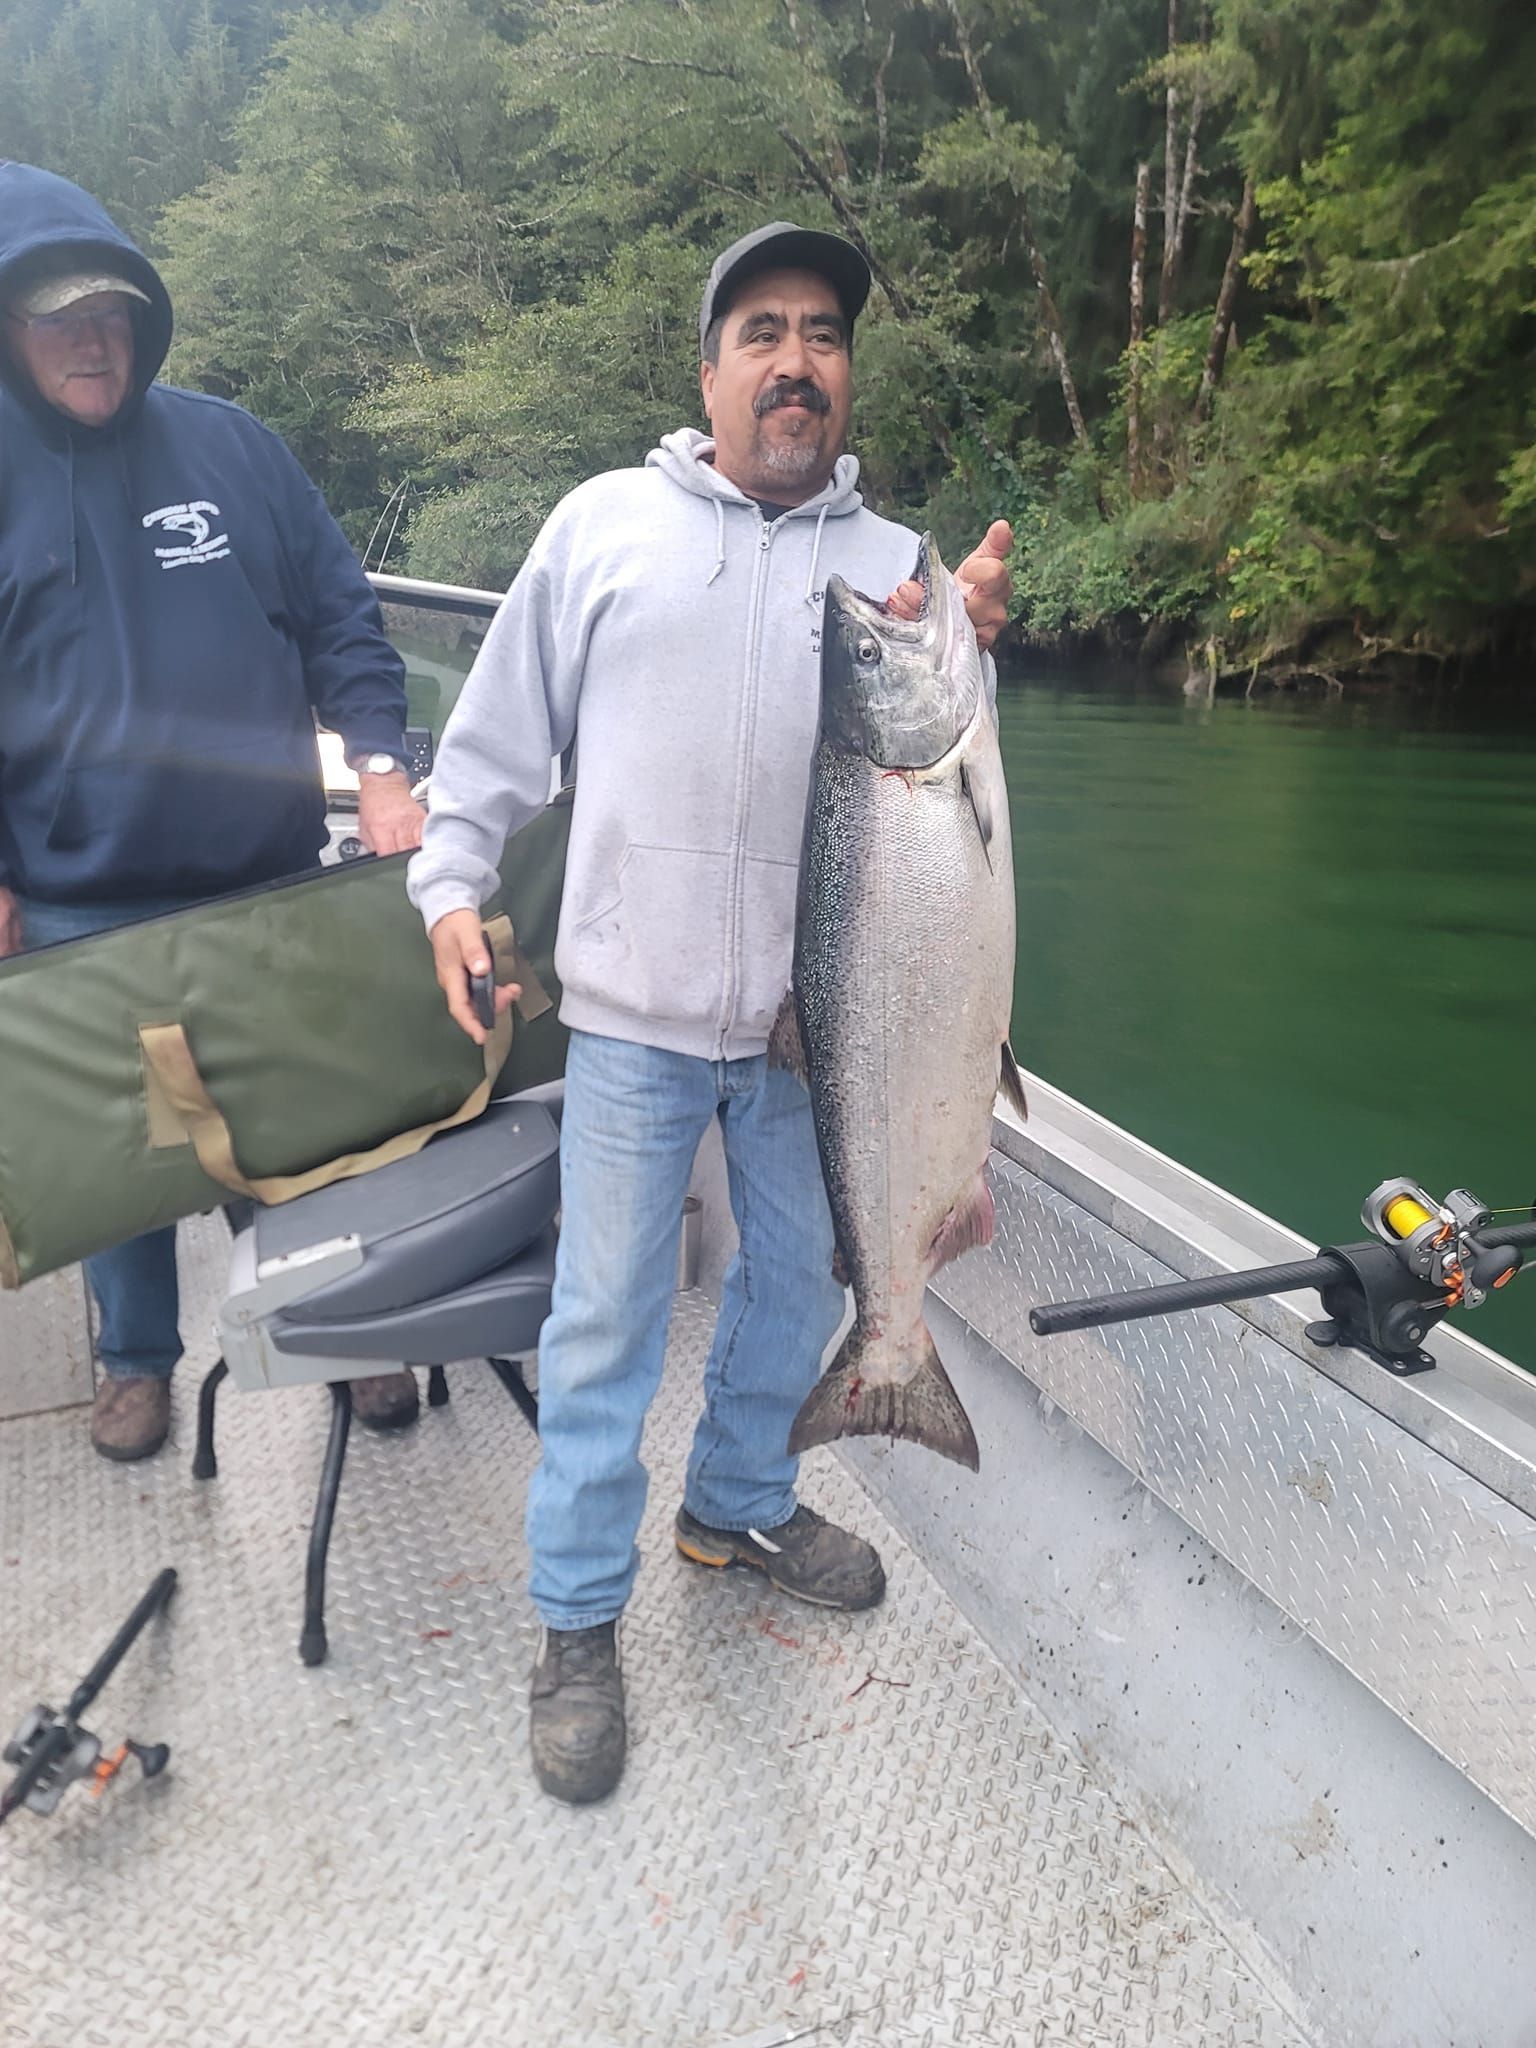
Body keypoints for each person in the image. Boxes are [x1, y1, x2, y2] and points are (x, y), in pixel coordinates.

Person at [409, 221, 1013, 1804]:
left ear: (846, 376)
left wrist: (966, 634)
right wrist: (448, 888)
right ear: (709, 373)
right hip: (632, 1018)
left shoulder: (893, 568)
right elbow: (491, 746)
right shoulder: (604, 527)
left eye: (823, 334)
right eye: (763, 332)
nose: (796, 361)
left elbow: (949, 817)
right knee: (603, 1324)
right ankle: (577, 1619)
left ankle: (736, 1502)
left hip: (825, 1036)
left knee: (800, 1287)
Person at [0, 162, 427, 1461]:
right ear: (11, 329)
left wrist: (382, 766)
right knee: (123, 1154)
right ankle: (136, 1361)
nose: (93, 341)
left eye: (112, 315)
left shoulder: (233, 447)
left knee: (304, 1120)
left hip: (263, 874)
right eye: (62, 321)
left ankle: (341, 1326)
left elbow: (344, 617)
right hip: (78, 898)